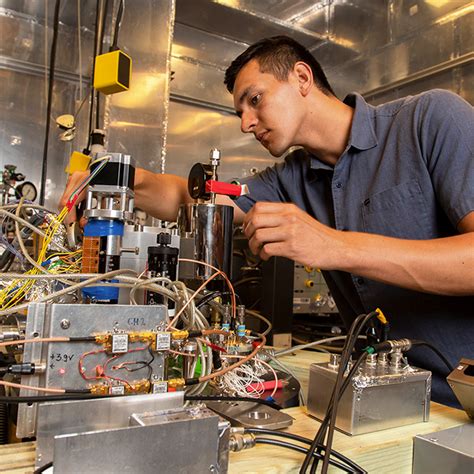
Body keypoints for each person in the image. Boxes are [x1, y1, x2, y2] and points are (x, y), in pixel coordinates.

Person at [61, 36, 474, 407]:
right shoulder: (291, 178)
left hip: (464, 398)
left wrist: (331, 244)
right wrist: (122, 176)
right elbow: (193, 197)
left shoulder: (429, 120)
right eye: (240, 111)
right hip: (388, 399)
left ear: (301, 77)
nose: (245, 123)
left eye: (254, 99)